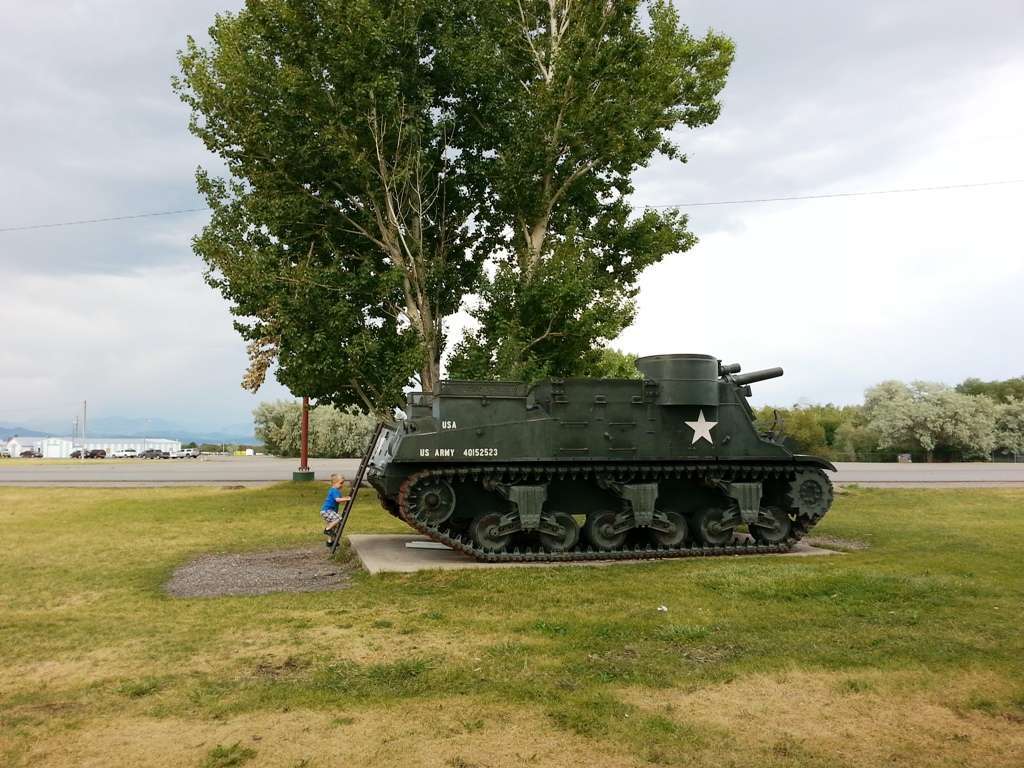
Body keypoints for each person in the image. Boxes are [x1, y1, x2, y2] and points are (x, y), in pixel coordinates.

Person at [320, 473, 351, 543]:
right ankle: (327, 530)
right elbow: (337, 500)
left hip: (328, 511)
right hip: (327, 510)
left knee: (333, 526)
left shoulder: (336, 491)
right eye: (341, 483)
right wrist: (347, 499)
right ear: (334, 483)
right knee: (338, 519)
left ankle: (329, 541)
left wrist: (345, 498)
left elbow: (339, 501)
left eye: (343, 483)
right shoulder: (334, 490)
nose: (342, 485)